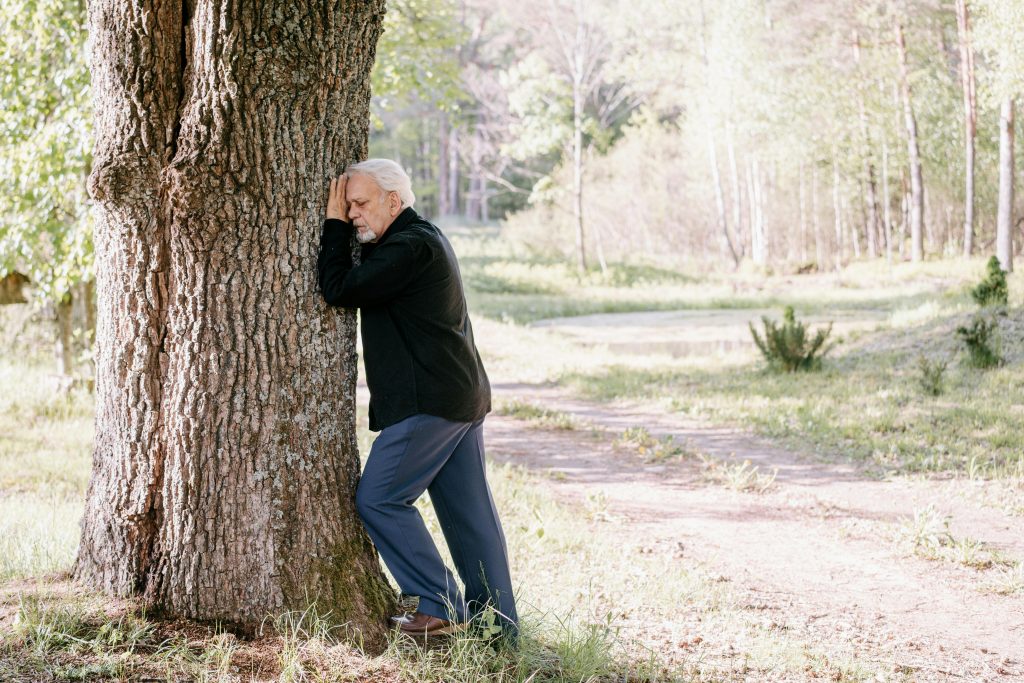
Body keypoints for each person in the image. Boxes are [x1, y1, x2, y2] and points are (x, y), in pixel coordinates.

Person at [317, 159, 518, 641]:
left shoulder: (409, 247)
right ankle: (499, 630)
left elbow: (338, 287)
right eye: (348, 207)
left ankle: (440, 602)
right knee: (470, 517)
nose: (354, 215)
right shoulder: (421, 238)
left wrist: (331, 225)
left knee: (380, 499)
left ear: (394, 199)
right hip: (459, 395)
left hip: (432, 402)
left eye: (360, 204)